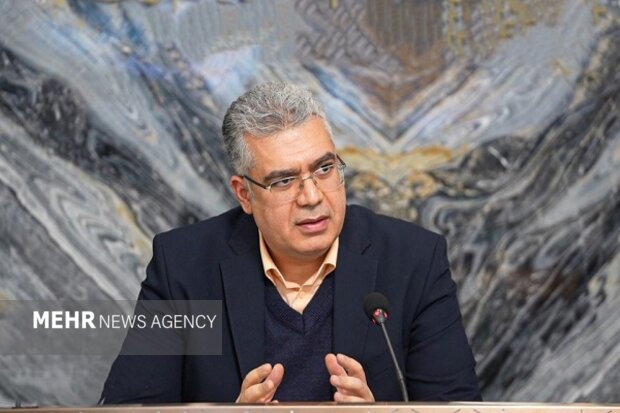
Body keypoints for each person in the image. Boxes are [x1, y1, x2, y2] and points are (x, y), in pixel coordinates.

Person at [101, 82, 481, 403]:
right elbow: (127, 411)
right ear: (244, 194)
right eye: (284, 181)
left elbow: (458, 410)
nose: (312, 196)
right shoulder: (184, 268)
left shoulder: (413, 260)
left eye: (324, 168)